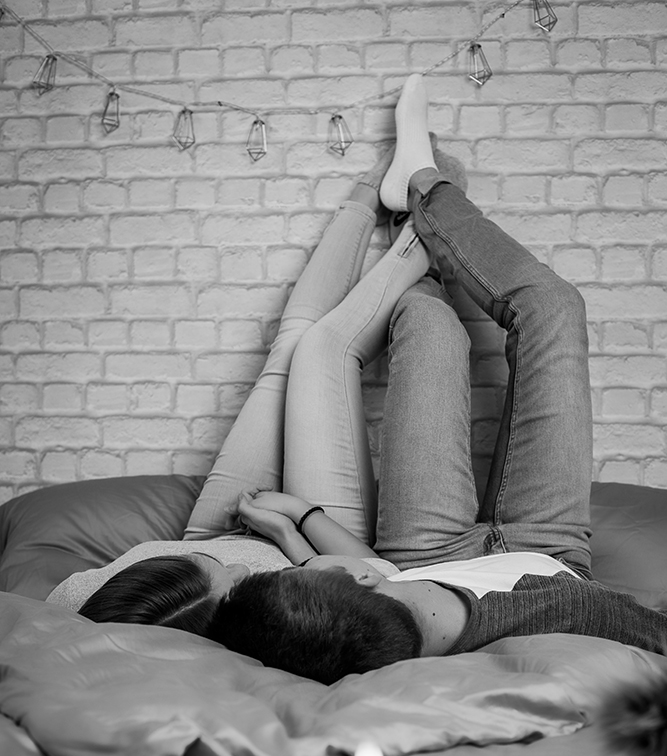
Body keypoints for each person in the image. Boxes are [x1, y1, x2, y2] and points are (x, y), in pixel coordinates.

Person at [208, 73, 667, 683]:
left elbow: (376, 580)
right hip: (550, 548)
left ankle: (417, 223)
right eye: (308, 565)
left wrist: (298, 520)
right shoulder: (582, 616)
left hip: (426, 557)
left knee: (427, 320)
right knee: (556, 307)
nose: (307, 559)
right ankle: (427, 186)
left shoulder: (386, 628)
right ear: (358, 580)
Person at [47, 140, 444, 633]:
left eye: (221, 569)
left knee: (290, 345)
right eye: (236, 584)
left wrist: (205, 554)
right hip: (307, 539)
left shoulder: (79, 601)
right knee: (322, 349)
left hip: (205, 535)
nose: (240, 568)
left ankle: (369, 195)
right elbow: (382, 578)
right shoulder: (261, 631)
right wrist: (291, 523)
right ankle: (433, 214)